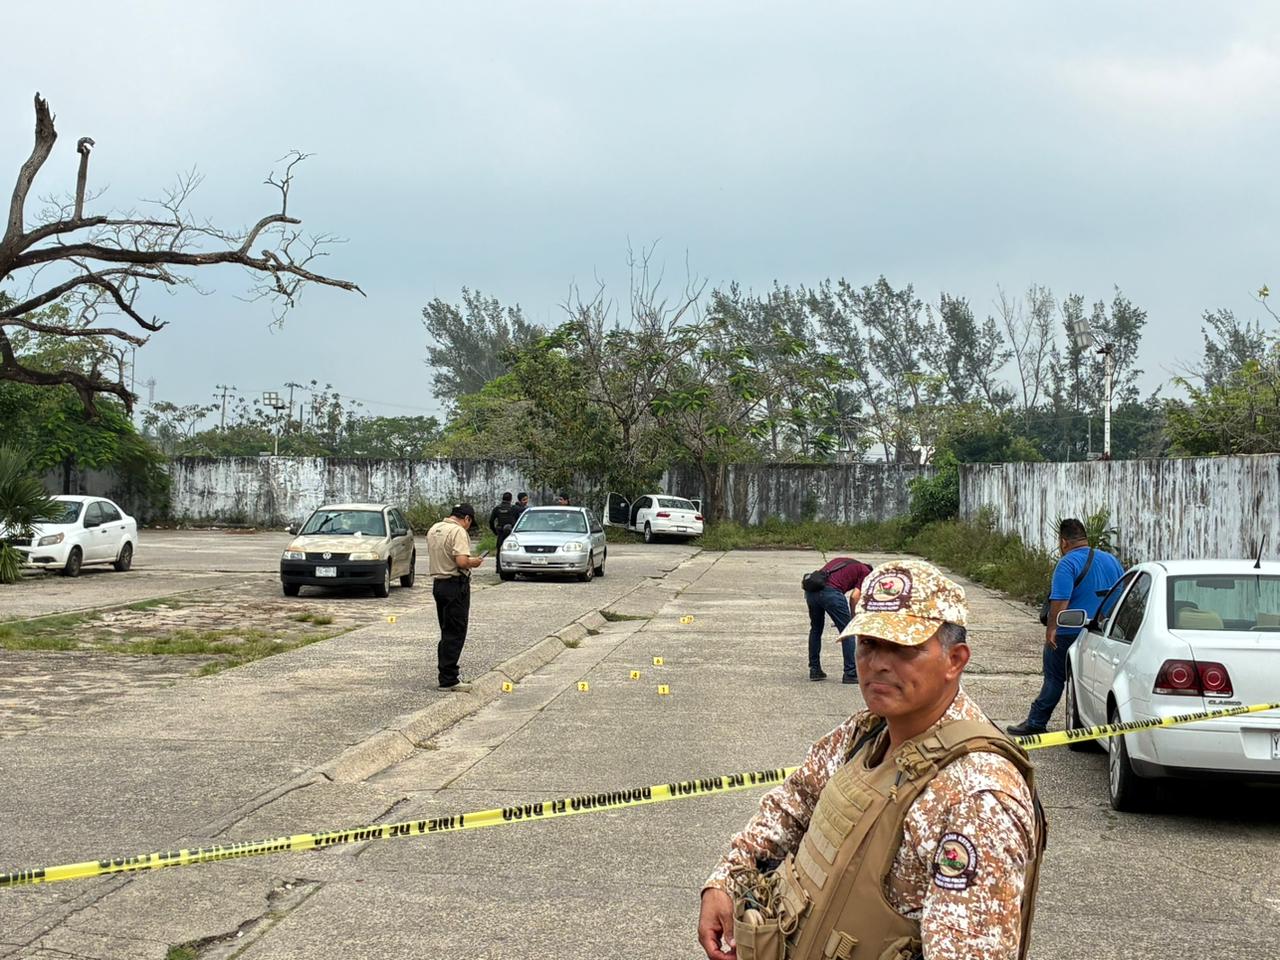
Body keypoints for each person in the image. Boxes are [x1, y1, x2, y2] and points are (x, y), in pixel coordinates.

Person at [699, 559, 1047, 960]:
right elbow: (793, 804)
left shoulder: (977, 798)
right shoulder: (868, 730)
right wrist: (726, 881)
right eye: (868, 644)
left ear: (955, 660)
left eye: (903, 647)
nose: (878, 663)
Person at [1006, 518, 1124, 736]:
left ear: (1063, 542)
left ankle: (1036, 721)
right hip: (1102, 633)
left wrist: (1051, 630)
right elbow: (1121, 593)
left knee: (1054, 679)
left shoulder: (1067, 563)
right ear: (1085, 538)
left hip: (1068, 633)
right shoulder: (1111, 561)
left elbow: (1060, 601)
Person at [427, 503, 485, 693]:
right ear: (467, 518)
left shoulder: (435, 528)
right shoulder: (458, 531)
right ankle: (449, 678)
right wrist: (474, 562)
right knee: (456, 631)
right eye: (470, 522)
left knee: (446, 630)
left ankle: (446, 673)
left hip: (439, 584)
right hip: (455, 584)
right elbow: (461, 561)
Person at [804, 556, 873, 683]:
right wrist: (853, 619)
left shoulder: (843, 562)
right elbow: (854, 597)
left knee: (816, 630)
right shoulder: (866, 572)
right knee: (847, 633)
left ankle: (815, 669)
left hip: (811, 592)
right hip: (831, 594)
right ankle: (850, 673)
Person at [488, 492, 520, 576]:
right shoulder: (514, 508)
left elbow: (491, 521)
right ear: (511, 499)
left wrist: (495, 531)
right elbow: (518, 520)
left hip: (501, 533)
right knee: (512, 550)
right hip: (511, 534)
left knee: (499, 551)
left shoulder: (497, 508)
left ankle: (499, 568)